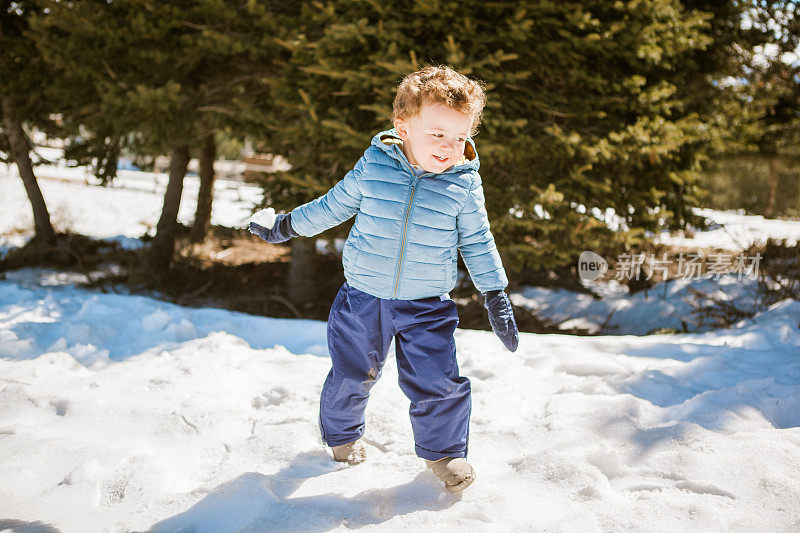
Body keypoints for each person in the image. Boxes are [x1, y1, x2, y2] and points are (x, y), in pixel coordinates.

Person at [249, 65, 519, 493]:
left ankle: (446, 453)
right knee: (352, 374)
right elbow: (333, 205)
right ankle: (341, 438)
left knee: (438, 381)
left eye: (459, 137)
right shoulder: (375, 166)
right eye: (437, 135)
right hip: (363, 296)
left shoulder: (464, 184)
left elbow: (478, 239)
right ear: (403, 127)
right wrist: (285, 226)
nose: (449, 148)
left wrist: (495, 291)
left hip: (427, 304)